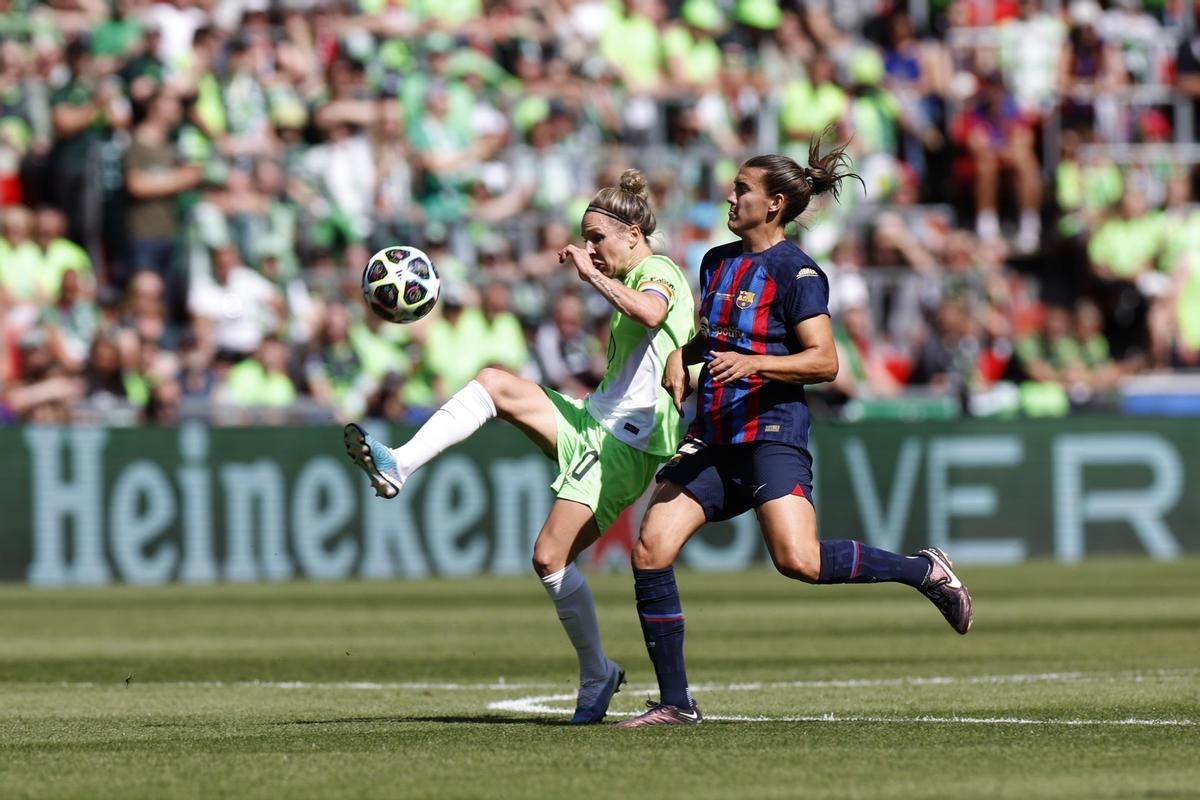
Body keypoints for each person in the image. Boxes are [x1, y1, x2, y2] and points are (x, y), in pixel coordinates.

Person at [616, 139, 974, 729]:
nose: (730, 198)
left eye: (741, 191)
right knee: (651, 549)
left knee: (799, 560)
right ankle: (677, 703)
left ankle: (924, 571)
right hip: (715, 434)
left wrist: (754, 366)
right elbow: (722, 337)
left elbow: (824, 363)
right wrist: (685, 354)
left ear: (775, 204)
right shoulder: (718, 261)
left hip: (771, 431)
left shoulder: (798, 272)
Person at [343, 170, 695, 724]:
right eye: (585, 240)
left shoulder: (659, 270)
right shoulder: (635, 270)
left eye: (595, 238)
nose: (588, 249)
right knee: (493, 382)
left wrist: (589, 274)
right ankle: (400, 464)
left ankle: (597, 673)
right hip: (593, 422)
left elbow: (650, 312)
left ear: (631, 233)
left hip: (627, 446)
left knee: (549, 557)